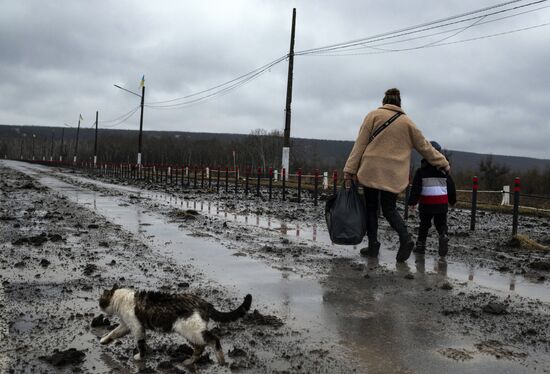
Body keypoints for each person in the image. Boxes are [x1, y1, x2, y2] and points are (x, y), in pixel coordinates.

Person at [343, 88, 450, 262]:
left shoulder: (372, 116)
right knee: (389, 208)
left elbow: (360, 144)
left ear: (384, 101)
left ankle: (373, 246)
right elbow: (425, 147)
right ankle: (405, 237)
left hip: (371, 169)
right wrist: (443, 163)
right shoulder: (408, 123)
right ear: (399, 103)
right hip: (393, 173)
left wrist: (349, 169)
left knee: (371, 208)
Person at [408, 141, 456, 257]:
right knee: (441, 224)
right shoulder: (444, 172)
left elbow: (416, 188)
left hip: (426, 203)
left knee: (424, 225)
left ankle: (420, 246)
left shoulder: (421, 171)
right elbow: (451, 186)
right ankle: (443, 235)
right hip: (441, 204)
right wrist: (452, 200)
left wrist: (412, 202)